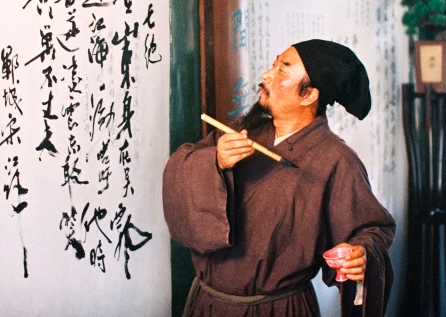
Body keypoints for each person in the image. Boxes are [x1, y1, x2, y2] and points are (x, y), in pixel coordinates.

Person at [163, 39, 395, 317]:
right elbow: (180, 169)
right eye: (273, 65)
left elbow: (372, 228)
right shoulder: (240, 130)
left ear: (308, 95)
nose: (267, 75)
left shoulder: (335, 159)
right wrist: (216, 161)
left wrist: (361, 252)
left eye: (282, 70)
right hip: (210, 305)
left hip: (281, 308)